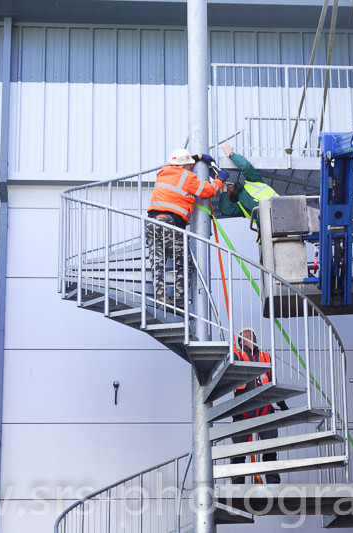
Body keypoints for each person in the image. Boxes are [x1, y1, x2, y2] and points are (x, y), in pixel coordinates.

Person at [146, 148, 227, 307]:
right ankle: (178, 302)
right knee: (185, 265)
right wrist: (219, 180)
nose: (191, 168)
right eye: (189, 165)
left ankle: (161, 300)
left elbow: (180, 166)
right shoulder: (187, 177)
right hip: (170, 225)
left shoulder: (163, 172)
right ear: (185, 166)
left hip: (151, 224)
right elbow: (207, 191)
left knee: (158, 264)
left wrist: (197, 157)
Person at [230, 327, 288, 484]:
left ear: (255, 339)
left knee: (270, 448)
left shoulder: (265, 356)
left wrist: (282, 405)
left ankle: (273, 482)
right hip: (243, 408)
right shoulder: (236, 355)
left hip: (264, 408)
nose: (249, 335)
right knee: (238, 450)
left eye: (251, 334)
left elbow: (272, 383)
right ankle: (237, 483)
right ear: (239, 341)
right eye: (245, 335)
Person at [218, 143, 278, 227]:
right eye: (224, 190)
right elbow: (226, 210)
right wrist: (223, 189)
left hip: (280, 212)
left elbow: (246, 166)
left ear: (232, 183)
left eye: (227, 185)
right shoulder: (240, 207)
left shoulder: (253, 181)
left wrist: (231, 154)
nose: (226, 188)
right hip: (268, 233)